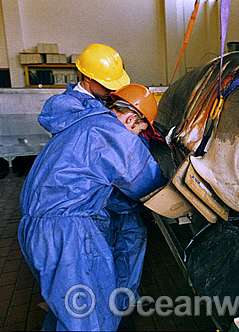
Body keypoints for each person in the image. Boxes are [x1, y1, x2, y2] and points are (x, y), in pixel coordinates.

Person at [18, 43, 165, 331]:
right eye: (138, 130)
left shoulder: (80, 122)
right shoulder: (110, 132)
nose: (136, 136)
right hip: (66, 231)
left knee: (66, 307)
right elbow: (147, 183)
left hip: (36, 227)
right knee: (88, 316)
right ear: (132, 119)